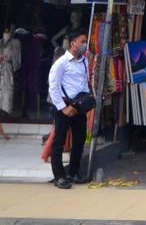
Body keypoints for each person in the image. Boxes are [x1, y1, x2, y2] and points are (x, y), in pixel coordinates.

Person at [46, 29, 91, 189]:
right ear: (73, 43)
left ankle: (73, 172)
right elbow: (53, 87)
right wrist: (63, 108)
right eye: (82, 42)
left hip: (78, 107)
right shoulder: (61, 63)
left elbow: (84, 82)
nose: (85, 45)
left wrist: (85, 101)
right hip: (63, 107)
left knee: (79, 141)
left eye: (86, 42)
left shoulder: (85, 61)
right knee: (59, 142)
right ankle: (59, 176)